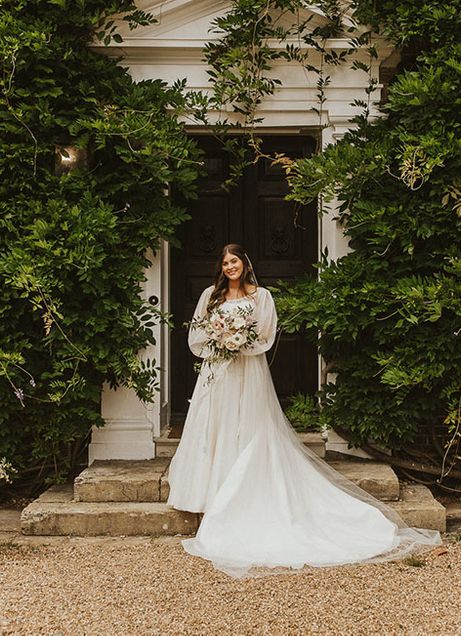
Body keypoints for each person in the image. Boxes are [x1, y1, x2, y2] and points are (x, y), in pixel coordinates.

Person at [167, 243, 440, 577]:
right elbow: (197, 334)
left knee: (249, 425)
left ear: (245, 263)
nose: (229, 267)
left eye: (234, 261)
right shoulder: (210, 295)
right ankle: (208, 493)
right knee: (216, 425)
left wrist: (239, 343)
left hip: (248, 371)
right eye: (225, 262)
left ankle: (243, 492)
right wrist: (220, 343)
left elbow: (265, 336)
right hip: (218, 372)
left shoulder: (260, 297)